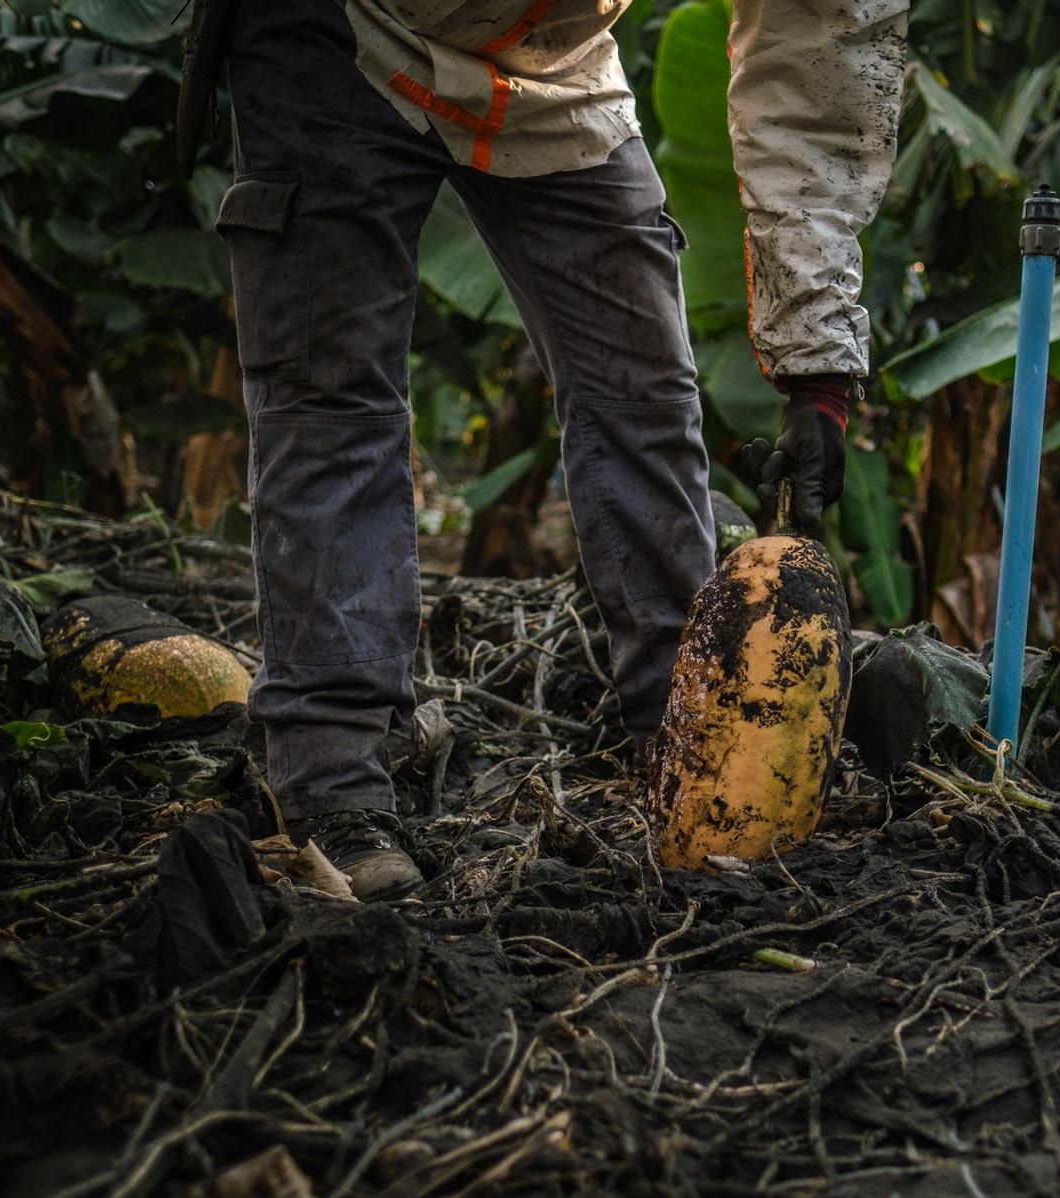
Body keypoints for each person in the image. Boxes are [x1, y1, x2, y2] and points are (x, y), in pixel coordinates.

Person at [186, 0, 907, 897]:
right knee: (333, 402)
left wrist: (818, 375)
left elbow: (818, 70)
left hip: (549, 62)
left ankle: (689, 739)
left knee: (642, 383)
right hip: (344, 26)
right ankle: (334, 778)